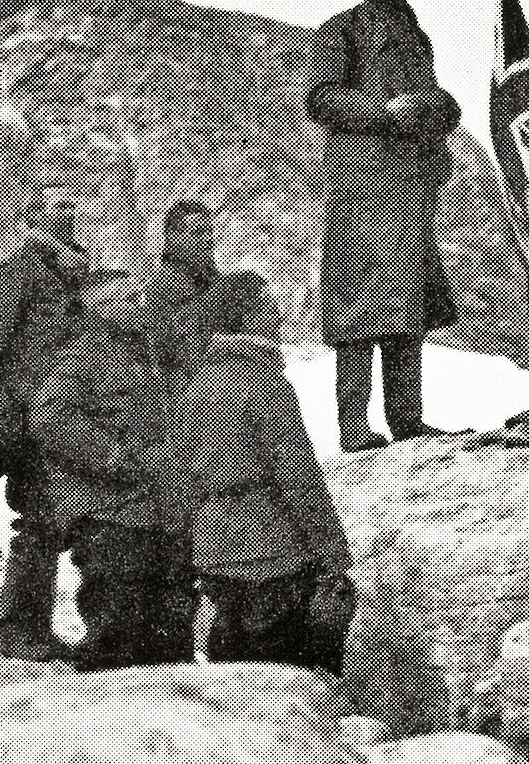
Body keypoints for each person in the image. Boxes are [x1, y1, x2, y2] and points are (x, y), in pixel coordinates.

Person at [306, 0, 465, 452]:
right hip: (358, 189)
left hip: (411, 186)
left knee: (409, 305)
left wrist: (439, 110)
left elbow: (430, 104)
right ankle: (354, 429)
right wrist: (387, 111)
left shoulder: (416, 33)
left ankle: (407, 419)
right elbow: (321, 98)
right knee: (356, 310)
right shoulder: (342, 27)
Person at [172, 298, 354, 672]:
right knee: (290, 666)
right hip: (272, 546)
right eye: (267, 309)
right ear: (247, 319)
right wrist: (333, 551)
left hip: (212, 547)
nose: (278, 318)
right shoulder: (264, 383)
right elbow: (298, 477)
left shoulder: (191, 384)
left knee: (235, 668)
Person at [29, 272, 194, 672]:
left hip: (164, 512)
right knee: (117, 629)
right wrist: (111, 456)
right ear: (97, 306)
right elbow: (48, 419)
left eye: (141, 296)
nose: (142, 304)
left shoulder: (154, 352)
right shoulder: (79, 354)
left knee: (172, 631)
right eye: (130, 298)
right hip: (110, 515)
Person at [0, 183, 90, 661]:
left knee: (61, 521)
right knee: (40, 522)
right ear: (35, 216)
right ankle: (20, 630)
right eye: (59, 205)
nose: (71, 213)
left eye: (75, 203)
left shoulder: (73, 276)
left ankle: (32, 627)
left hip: (67, 419)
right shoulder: (16, 274)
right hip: (27, 417)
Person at [145, 200, 272, 386]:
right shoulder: (163, 285)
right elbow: (184, 350)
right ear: (173, 237)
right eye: (198, 233)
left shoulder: (211, 280)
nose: (208, 239)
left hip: (224, 374)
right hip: (187, 386)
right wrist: (244, 344)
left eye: (209, 232)